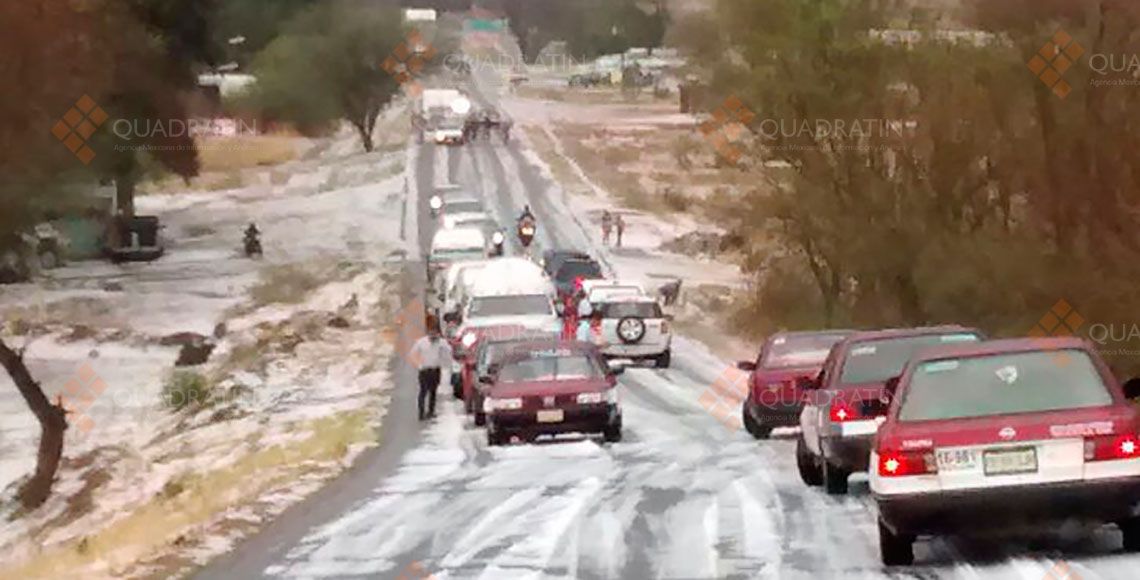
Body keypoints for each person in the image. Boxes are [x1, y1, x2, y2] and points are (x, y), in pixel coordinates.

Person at [409, 315, 453, 420]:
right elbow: (412, 354)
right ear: (428, 332)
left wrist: (446, 363)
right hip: (424, 370)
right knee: (423, 392)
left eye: (435, 333)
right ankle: (421, 413)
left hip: (435, 370)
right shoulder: (421, 342)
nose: (433, 335)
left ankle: (431, 411)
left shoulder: (441, 343)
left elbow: (448, 351)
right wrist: (419, 365)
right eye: (431, 332)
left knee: (433, 392)